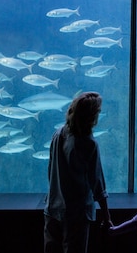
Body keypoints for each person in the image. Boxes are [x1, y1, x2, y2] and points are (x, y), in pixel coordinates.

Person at [44, 91, 113, 253]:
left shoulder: (58, 133)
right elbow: (97, 182)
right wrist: (107, 216)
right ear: (91, 116)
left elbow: (50, 169)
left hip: (52, 208)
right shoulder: (88, 143)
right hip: (76, 213)